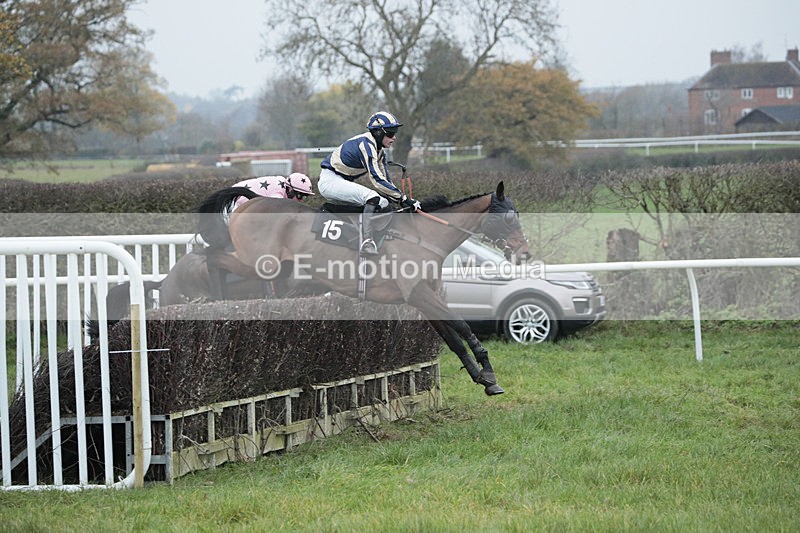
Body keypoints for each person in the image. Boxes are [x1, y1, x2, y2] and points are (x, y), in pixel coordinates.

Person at [319, 111, 419, 255]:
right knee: (373, 198)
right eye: (390, 133)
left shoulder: (380, 152)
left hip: (340, 180)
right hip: (330, 181)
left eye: (395, 133)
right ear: (378, 132)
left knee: (384, 202)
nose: (394, 137)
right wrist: (403, 198)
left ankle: (362, 233)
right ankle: (367, 242)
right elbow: (377, 180)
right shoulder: (366, 145)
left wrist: (402, 200)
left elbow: (386, 181)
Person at [227, 172, 315, 214]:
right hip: (233, 203)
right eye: (300, 196)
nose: (301, 201)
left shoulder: (282, 184)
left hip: (236, 199)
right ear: (290, 190)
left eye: (305, 197)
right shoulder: (278, 194)